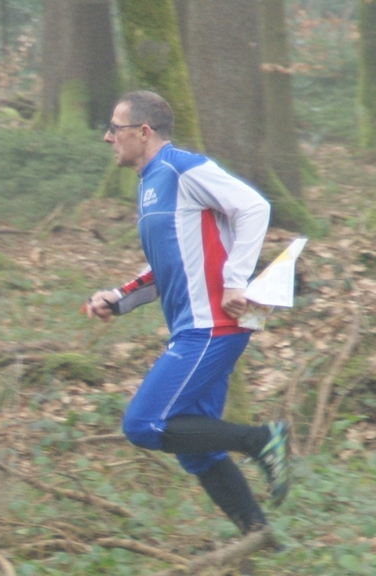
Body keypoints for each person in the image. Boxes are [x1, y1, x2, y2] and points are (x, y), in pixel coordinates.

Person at [84, 90, 290, 536]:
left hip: (213, 325)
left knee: (142, 424)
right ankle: (259, 539)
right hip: (195, 327)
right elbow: (167, 264)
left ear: (143, 132)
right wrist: (118, 298)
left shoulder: (182, 167)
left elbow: (255, 207)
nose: (107, 137)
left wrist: (237, 278)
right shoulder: (149, 183)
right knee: (198, 452)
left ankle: (261, 440)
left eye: (115, 129)